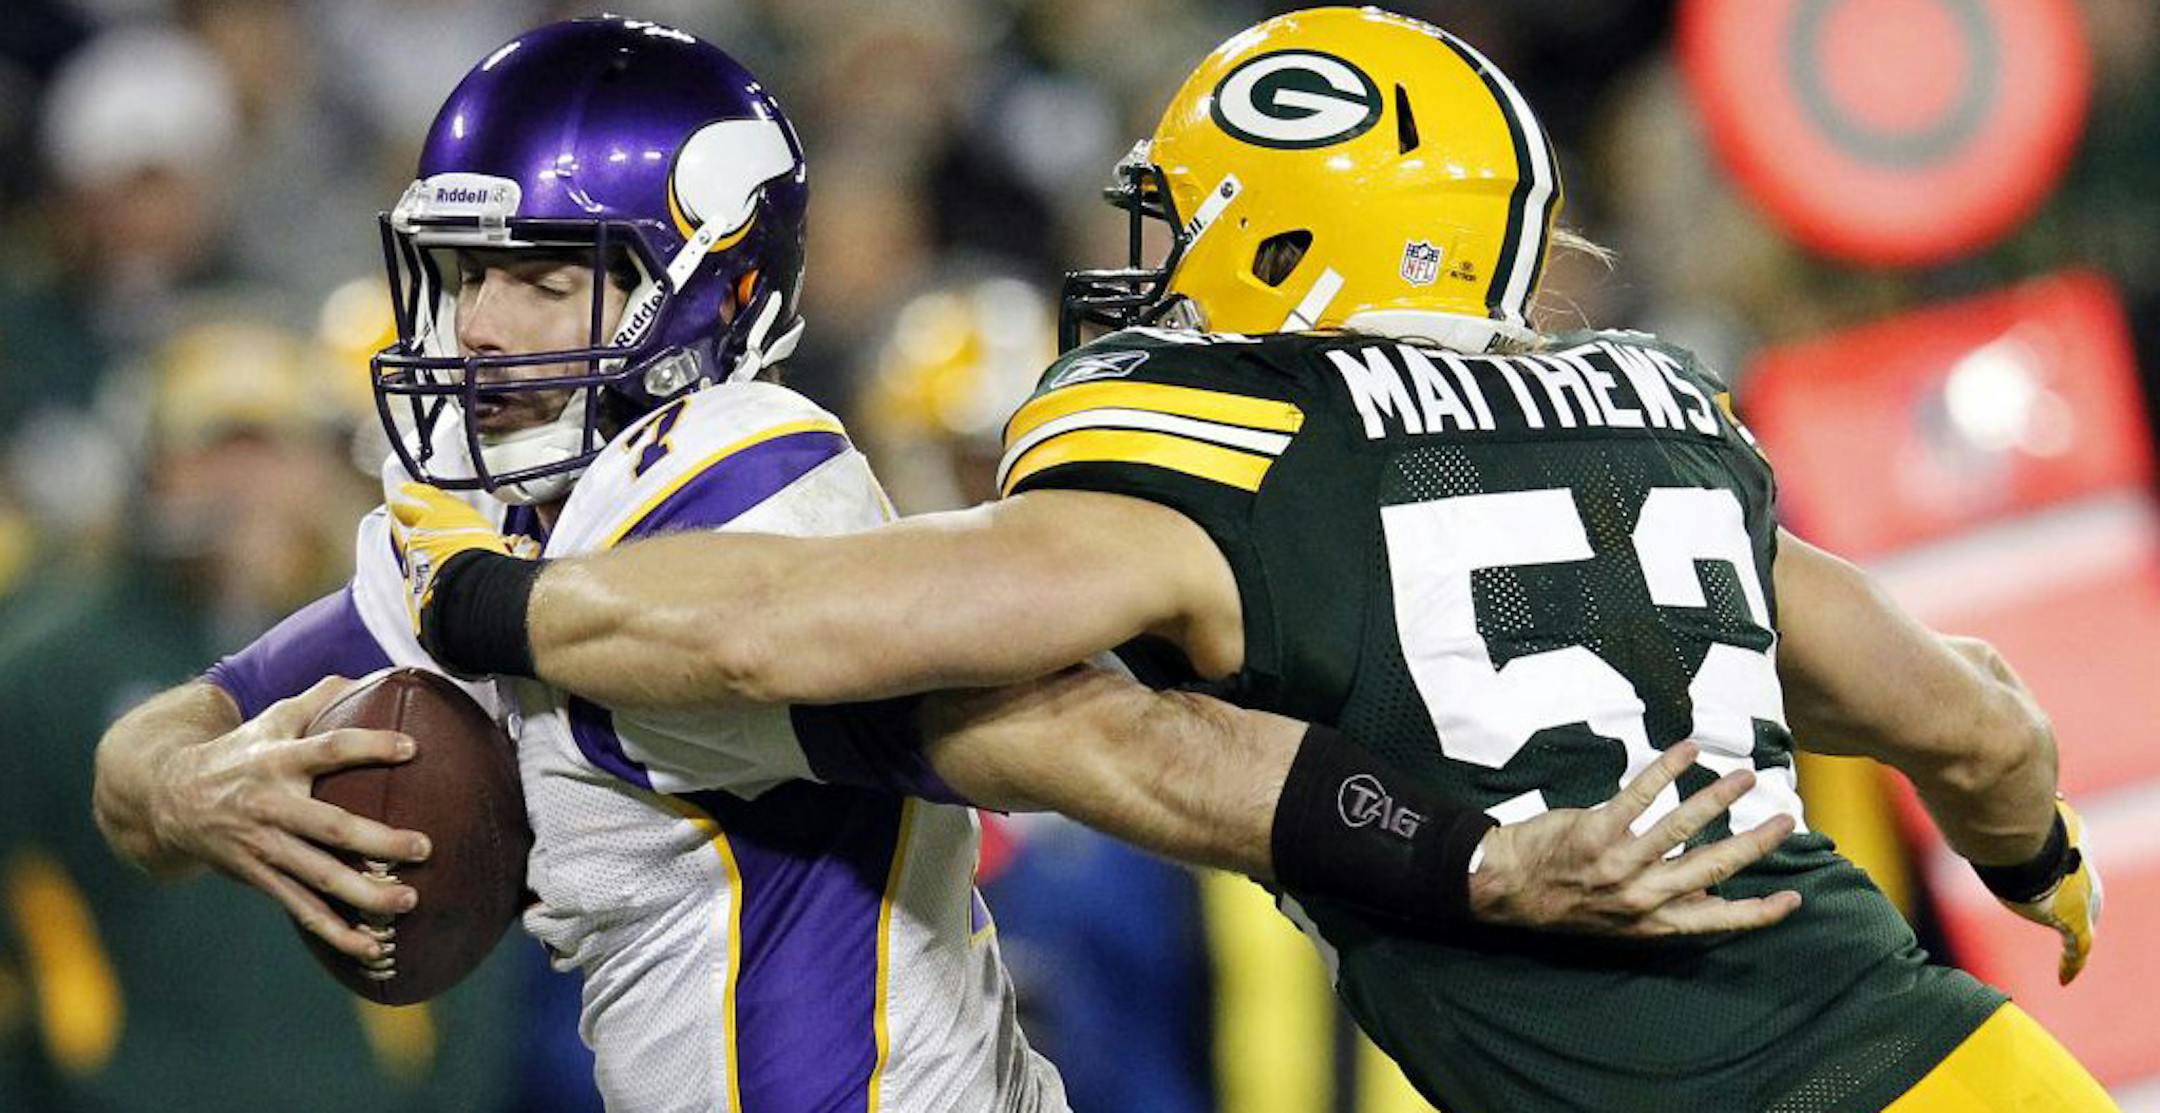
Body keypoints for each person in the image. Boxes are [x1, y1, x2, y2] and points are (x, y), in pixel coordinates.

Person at [392, 9, 2114, 1113]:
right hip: (1968, 1063)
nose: (1155, 277)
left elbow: (823, 624)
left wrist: (487, 593)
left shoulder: (1245, 439)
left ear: (1297, 232)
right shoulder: (1653, 402)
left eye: (1190, 229)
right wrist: (2033, 858)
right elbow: (1973, 724)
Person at [89, 15, 1795, 1113]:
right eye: (459, 275)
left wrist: (1482, 864)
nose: (480, 327)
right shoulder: (496, 511)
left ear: (706, 284)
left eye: (544, 278)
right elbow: (160, 732)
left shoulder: (735, 518)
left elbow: (1107, 738)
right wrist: (199, 790)